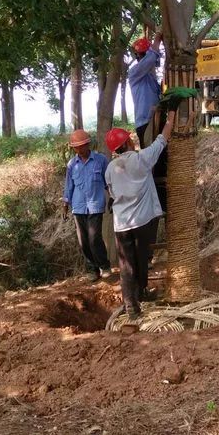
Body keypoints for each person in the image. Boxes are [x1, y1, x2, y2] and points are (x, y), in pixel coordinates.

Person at [105, 111, 176, 320]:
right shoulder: (141, 159)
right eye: (130, 139)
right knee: (141, 258)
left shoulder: (110, 168)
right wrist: (170, 119)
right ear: (127, 143)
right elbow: (162, 140)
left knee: (126, 265)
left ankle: (132, 304)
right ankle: (139, 296)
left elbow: (111, 193)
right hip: (141, 222)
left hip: (121, 224)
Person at [63, 129, 112, 283]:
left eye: (82, 146)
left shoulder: (101, 160)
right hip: (78, 207)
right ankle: (93, 269)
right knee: (83, 241)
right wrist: (65, 203)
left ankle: (104, 266)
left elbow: (109, 182)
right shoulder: (72, 164)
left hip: (95, 204)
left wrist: (113, 197)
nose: (80, 149)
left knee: (94, 238)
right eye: (76, 147)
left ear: (88, 144)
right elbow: (68, 186)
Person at [128, 33, 163, 148]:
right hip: (145, 123)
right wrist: (157, 39)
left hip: (156, 119)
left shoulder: (151, 78)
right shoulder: (134, 72)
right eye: (145, 55)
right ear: (139, 56)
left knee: (162, 159)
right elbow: (151, 58)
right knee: (151, 161)